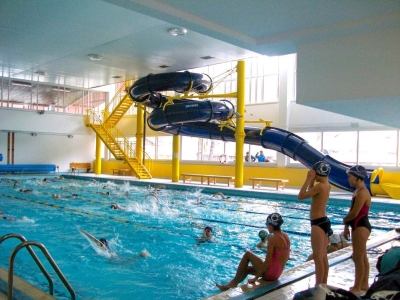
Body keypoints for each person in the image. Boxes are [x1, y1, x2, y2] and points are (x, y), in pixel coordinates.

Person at [215, 213, 290, 291]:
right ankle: (231, 285)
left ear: (271, 225)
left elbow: (268, 261)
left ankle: (233, 284)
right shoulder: (286, 236)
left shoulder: (272, 238)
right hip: (277, 274)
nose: (267, 227)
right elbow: (287, 257)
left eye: (267, 224)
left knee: (248, 254)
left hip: (270, 275)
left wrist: (255, 278)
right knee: (246, 269)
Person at [297, 161, 332, 285]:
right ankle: (324, 284)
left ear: (318, 173)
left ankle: (318, 286)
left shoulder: (320, 186)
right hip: (324, 221)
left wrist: (308, 179)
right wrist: (313, 180)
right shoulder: (326, 185)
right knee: (323, 256)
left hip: (317, 223)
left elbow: (301, 196)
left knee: (318, 258)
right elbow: (312, 192)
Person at [343, 165, 371, 295]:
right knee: (362, 256)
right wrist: (346, 227)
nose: (348, 179)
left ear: (357, 177)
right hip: (356, 226)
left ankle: (357, 287)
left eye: (350, 176)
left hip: (361, 226)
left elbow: (354, 213)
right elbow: (351, 211)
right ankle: (364, 284)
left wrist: (344, 220)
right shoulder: (357, 192)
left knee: (358, 257)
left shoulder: (363, 192)